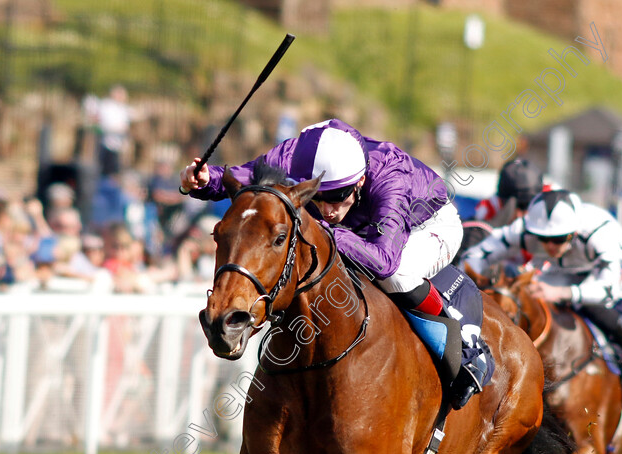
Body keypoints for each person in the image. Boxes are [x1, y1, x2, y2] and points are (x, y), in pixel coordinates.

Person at [179, 118, 487, 409]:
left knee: (399, 279)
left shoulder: (391, 181)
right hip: (360, 225)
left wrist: (326, 232)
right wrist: (206, 180)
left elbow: (383, 262)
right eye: (318, 197)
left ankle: (467, 346)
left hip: (427, 224)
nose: (327, 209)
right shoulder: (293, 157)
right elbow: (244, 179)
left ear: (360, 181)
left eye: (338, 196)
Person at [463, 189, 622, 396]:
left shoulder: (599, 234)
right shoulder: (524, 229)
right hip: (561, 268)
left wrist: (561, 292)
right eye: (543, 238)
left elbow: (607, 288)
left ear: (574, 232)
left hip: (606, 269)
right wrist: (478, 281)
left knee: (591, 304)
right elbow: (477, 254)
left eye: (558, 239)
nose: (550, 245)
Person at [474, 158, 546, 223]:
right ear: (500, 200)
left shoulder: (548, 202)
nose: (519, 215)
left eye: (525, 206)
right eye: (513, 206)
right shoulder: (487, 208)